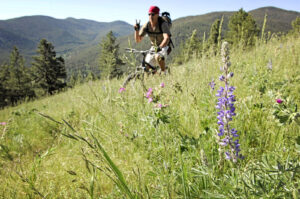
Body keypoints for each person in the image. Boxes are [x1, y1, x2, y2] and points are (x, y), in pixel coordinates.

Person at [134, 6, 171, 73]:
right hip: (154, 47)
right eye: (149, 14)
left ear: (157, 15)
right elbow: (138, 40)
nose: (151, 16)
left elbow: (166, 38)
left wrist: (160, 47)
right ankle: (153, 78)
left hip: (164, 46)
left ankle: (164, 72)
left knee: (158, 56)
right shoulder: (147, 25)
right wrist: (136, 30)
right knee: (147, 66)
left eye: (153, 14)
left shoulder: (163, 24)